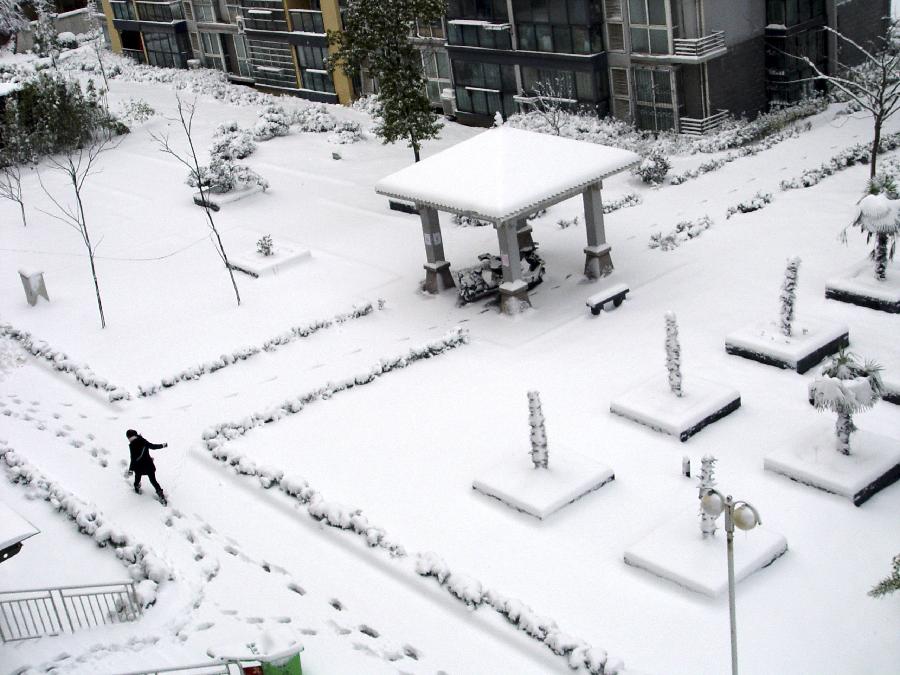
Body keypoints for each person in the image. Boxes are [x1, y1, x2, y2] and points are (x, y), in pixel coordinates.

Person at [126, 429, 168, 505]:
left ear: (129, 437)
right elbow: (153, 446)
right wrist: (162, 445)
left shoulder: (132, 445)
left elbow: (132, 459)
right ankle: (160, 494)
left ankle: (137, 488)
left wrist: (131, 470)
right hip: (149, 465)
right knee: (153, 481)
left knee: (137, 479)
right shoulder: (142, 440)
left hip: (139, 467)